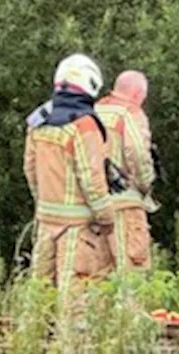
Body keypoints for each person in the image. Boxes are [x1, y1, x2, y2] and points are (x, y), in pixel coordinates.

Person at [23, 53, 113, 293]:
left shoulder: (39, 121)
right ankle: (70, 333)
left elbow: (30, 170)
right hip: (76, 226)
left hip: (45, 222)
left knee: (40, 293)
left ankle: (31, 331)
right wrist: (106, 216)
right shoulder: (84, 124)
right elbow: (91, 177)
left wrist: (42, 203)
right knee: (74, 295)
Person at [95, 70, 157, 273]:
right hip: (125, 205)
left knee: (97, 276)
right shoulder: (130, 114)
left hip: (93, 206)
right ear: (138, 94)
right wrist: (145, 184)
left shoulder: (93, 112)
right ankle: (130, 307)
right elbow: (137, 153)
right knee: (132, 272)